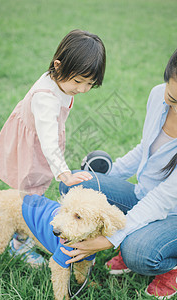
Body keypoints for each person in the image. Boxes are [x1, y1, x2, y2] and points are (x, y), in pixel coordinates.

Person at [59, 49, 177, 299]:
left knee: (138, 251)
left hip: (172, 213)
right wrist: (109, 177)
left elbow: (163, 200)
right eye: (172, 97)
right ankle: (133, 234)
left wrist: (112, 239)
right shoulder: (158, 95)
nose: (172, 107)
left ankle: (170, 265)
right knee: (76, 186)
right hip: (142, 194)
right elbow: (145, 149)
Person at [0, 29, 106, 266]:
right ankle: (19, 242)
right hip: (34, 146)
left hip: (40, 143)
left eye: (89, 83)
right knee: (31, 193)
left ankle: (25, 233)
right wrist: (64, 173)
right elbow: (48, 140)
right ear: (58, 66)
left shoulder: (59, 80)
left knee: (34, 191)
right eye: (78, 81)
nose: (83, 89)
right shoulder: (46, 98)